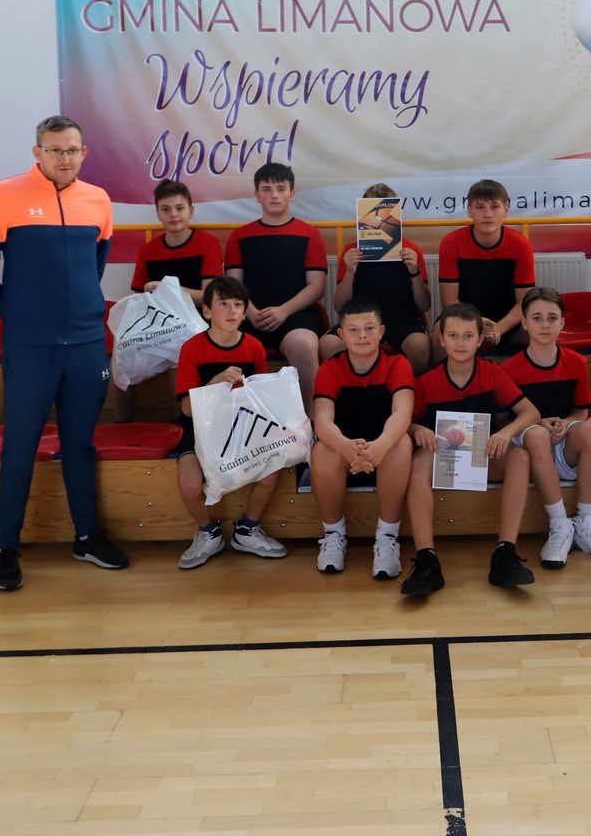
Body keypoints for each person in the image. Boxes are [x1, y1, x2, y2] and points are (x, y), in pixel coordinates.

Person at [0, 115, 130, 592]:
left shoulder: (98, 200)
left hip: (85, 345)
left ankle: (87, 537)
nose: (65, 158)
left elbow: (94, 266)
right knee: (20, 445)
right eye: (55, 150)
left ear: (84, 153)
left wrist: (75, 314)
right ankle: (6, 548)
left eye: (72, 150)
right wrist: (20, 317)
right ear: (37, 152)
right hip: (30, 348)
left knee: (80, 444)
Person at [401, 302, 541, 597]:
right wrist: (417, 429)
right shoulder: (426, 381)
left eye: (468, 336)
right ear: (441, 339)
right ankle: (427, 560)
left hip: (481, 456)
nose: (460, 343)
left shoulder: (492, 373)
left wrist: (505, 432)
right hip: (442, 458)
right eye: (453, 336)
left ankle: (505, 553)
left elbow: (531, 412)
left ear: (479, 340)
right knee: (419, 461)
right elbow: (403, 422)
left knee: (519, 456)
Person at [499, 287, 591, 568]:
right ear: (524, 323)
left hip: (563, 447)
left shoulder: (576, 362)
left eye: (552, 318)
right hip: (531, 448)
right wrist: (537, 423)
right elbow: (505, 421)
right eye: (537, 318)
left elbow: (581, 410)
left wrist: (566, 424)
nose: (545, 324)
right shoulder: (509, 369)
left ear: (562, 323)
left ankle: (587, 523)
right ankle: (560, 525)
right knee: (537, 434)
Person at [173, 276, 289, 569]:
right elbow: (187, 409)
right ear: (207, 311)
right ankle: (208, 533)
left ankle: (248, 530)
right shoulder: (192, 349)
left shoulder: (254, 347)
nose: (232, 310)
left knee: (271, 470)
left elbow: (259, 401)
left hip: (242, 425)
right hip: (200, 426)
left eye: (238, 304)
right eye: (223, 304)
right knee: (189, 483)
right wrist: (215, 384)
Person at [309, 298, 413, 580]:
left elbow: (403, 412)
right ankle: (334, 535)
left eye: (369, 328)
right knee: (323, 451)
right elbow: (322, 420)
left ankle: (387, 538)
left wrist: (381, 445)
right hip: (346, 452)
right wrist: (346, 447)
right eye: (353, 330)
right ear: (341, 335)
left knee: (401, 443)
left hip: (383, 451)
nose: (362, 336)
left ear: (381, 331)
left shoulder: (397, 363)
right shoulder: (330, 368)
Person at [115, 178, 223, 424]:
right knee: (122, 357)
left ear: (191, 211)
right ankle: (122, 427)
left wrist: (169, 289)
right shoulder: (149, 250)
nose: (173, 215)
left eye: (179, 208)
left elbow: (209, 297)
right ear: (158, 214)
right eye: (166, 209)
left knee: (180, 359)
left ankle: (182, 429)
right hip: (158, 326)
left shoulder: (207, 244)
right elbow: (138, 299)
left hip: (195, 324)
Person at [225, 161, 327, 410]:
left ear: (291, 193)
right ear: (257, 194)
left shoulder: (309, 234)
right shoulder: (239, 236)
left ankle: (311, 421)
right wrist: (250, 312)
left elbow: (316, 286)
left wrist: (283, 311)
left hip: (295, 315)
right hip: (248, 314)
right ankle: (237, 421)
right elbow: (232, 285)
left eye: (281, 189)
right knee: (224, 342)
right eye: (267, 189)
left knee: (304, 345)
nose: (274, 195)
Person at [321, 182, 432, 375]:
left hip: (403, 318)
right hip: (359, 319)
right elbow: (340, 306)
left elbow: (424, 305)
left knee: (420, 347)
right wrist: (349, 272)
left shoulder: (410, 251)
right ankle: (354, 386)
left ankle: (405, 387)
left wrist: (414, 271)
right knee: (328, 345)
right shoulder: (352, 252)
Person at [438, 180, 536, 353]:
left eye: (494, 207)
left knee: (537, 331)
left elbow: (524, 302)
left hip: (507, 319)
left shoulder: (521, 245)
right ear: (470, 211)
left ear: (506, 210)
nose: (488, 214)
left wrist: (499, 328)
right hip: (464, 316)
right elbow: (449, 301)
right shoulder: (451, 243)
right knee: (437, 337)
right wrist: (474, 324)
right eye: (480, 207)